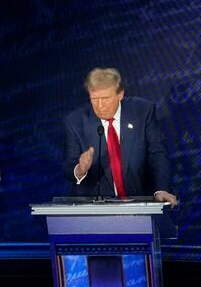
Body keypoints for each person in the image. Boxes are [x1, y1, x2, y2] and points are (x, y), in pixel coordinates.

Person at [63, 67, 177, 205]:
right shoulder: (75, 122)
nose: (100, 106)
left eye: (105, 98)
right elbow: (69, 166)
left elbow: (157, 153)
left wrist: (161, 189)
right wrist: (80, 169)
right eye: (94, 99)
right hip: (94, 209)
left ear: (120, 94)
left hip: (139, 203)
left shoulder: (142, 111)